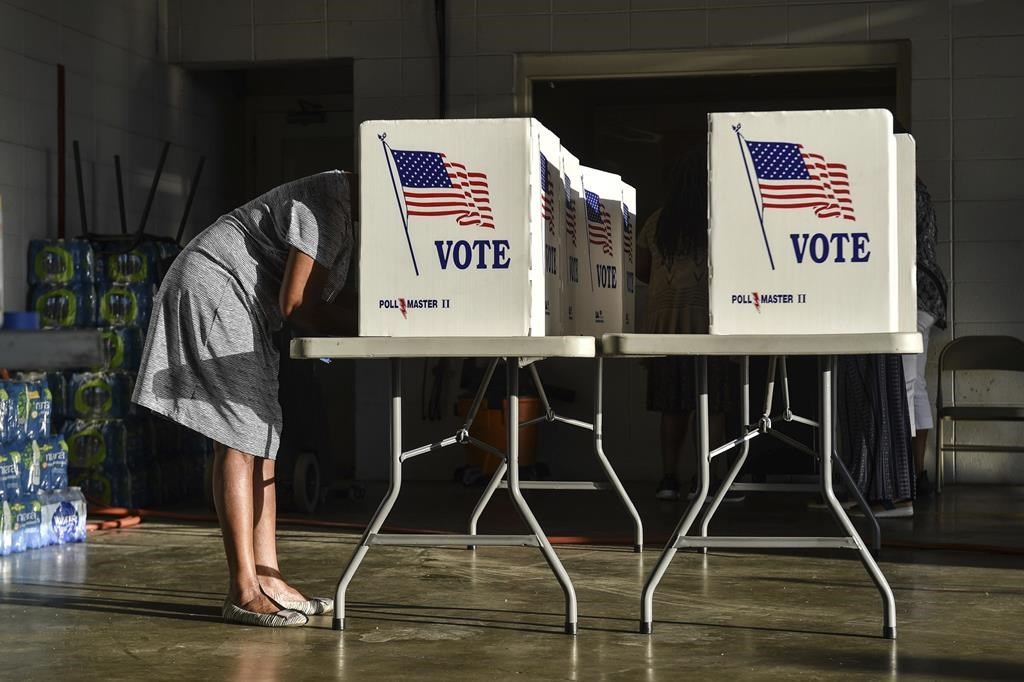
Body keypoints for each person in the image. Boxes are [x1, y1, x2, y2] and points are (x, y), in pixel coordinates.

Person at [133, 170, 355, 627]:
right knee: (238, 440)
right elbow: (297, 304)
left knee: (264, 439)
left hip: (245, 303)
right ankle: (242, 589)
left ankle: (267, 577)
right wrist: (367, 327)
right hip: (216, 289)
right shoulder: (333, 204)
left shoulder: (348, 206)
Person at [636, 157, 740, 502]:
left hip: (665, 328)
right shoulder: (716, 219)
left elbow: (641, 269)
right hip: (709, 327)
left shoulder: (656, 221)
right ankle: (705, 478)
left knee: (673, 406)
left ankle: (668, 478)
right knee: (712, 407)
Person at [902, 177, 948, 497]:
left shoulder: (903, 188)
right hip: (928, 294)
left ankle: (900, 479)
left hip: (915, 292)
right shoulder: (920, 191)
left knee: (906, 384)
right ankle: (918, 475)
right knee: (915, 383)